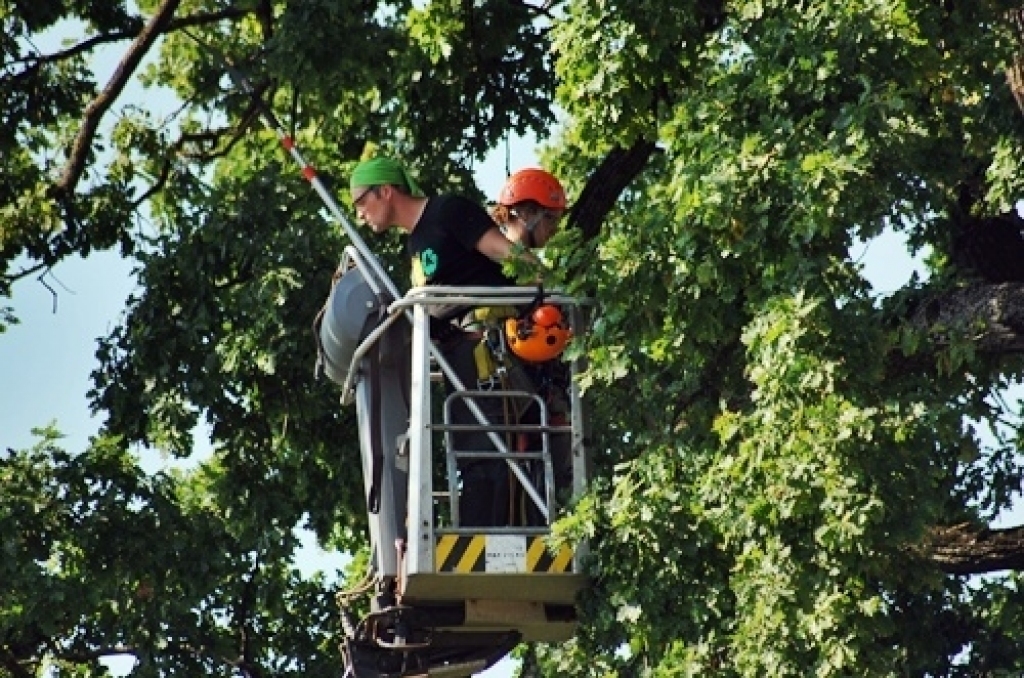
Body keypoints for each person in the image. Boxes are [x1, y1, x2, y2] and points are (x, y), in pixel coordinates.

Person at [349, 156, 526, 527]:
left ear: (385, 190)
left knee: (490, 449)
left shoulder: (447, 211)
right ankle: (478, 534)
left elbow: (504, 253)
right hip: (457, 355)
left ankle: (494, 538)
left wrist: (551, 290)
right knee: (471, 453)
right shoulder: (414, 244)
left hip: (486, 347)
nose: (360, 214)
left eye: (361, 201)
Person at [490, 168, 576, 524]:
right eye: (550, 218)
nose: (554, 228)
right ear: (524, 214)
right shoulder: (497, 260)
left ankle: (550, 519)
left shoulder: (533, 267)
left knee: (551, 446)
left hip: (539, 378)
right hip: (509, 374)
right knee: (515, 457)